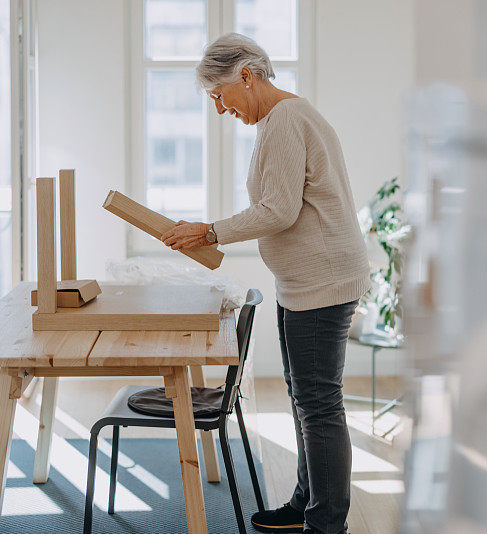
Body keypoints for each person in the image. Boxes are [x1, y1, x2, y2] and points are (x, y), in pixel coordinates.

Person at [160, 32, 370, 534]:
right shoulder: (283, 118)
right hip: (307, 280)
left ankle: (326, 524)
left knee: (319, 402)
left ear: (246, 77)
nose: (219, 109)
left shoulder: (286, 121)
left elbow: (278, 210)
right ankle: (305, 504)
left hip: (323, 282)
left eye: (218, 96)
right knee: (306, 396)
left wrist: (210, 231)